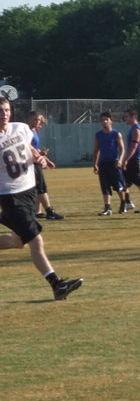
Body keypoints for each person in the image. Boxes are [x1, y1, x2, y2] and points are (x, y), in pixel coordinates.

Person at [0, 96, 83, 300]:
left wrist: (39, 156)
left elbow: (27, 146)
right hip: (10, 196)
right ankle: (57, 285)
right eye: (0, 111)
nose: (4, 114)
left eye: (7, 110)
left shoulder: (20, 128)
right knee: (36, 240)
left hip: (28, 190)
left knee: (20, 242)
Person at [26, 112, 65, 220]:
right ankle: (50, 212)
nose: (37, 122)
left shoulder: (34, 131)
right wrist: (40, 156)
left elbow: (35, 148)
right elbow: (27, 148)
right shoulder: (27, 131)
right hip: (32, 163)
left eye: (39, 120)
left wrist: (46, 159)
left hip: (37, 162)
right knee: (41, 188)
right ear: (29, 119)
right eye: (35, 119)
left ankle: (37, 212)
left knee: (38, 188)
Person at [92, 111, 129, 215]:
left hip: (114, 163)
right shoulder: (98, 135)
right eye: (102, 120)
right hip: (103, 163)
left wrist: (120, 159)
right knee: (105, 186)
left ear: (111, 121)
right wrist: (95, 163)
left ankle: (123, 204)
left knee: (119, 186)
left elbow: (122, 149)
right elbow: (96, 150)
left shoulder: (116, 134)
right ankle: (107, 208)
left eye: (106, 120)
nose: (104, 122)